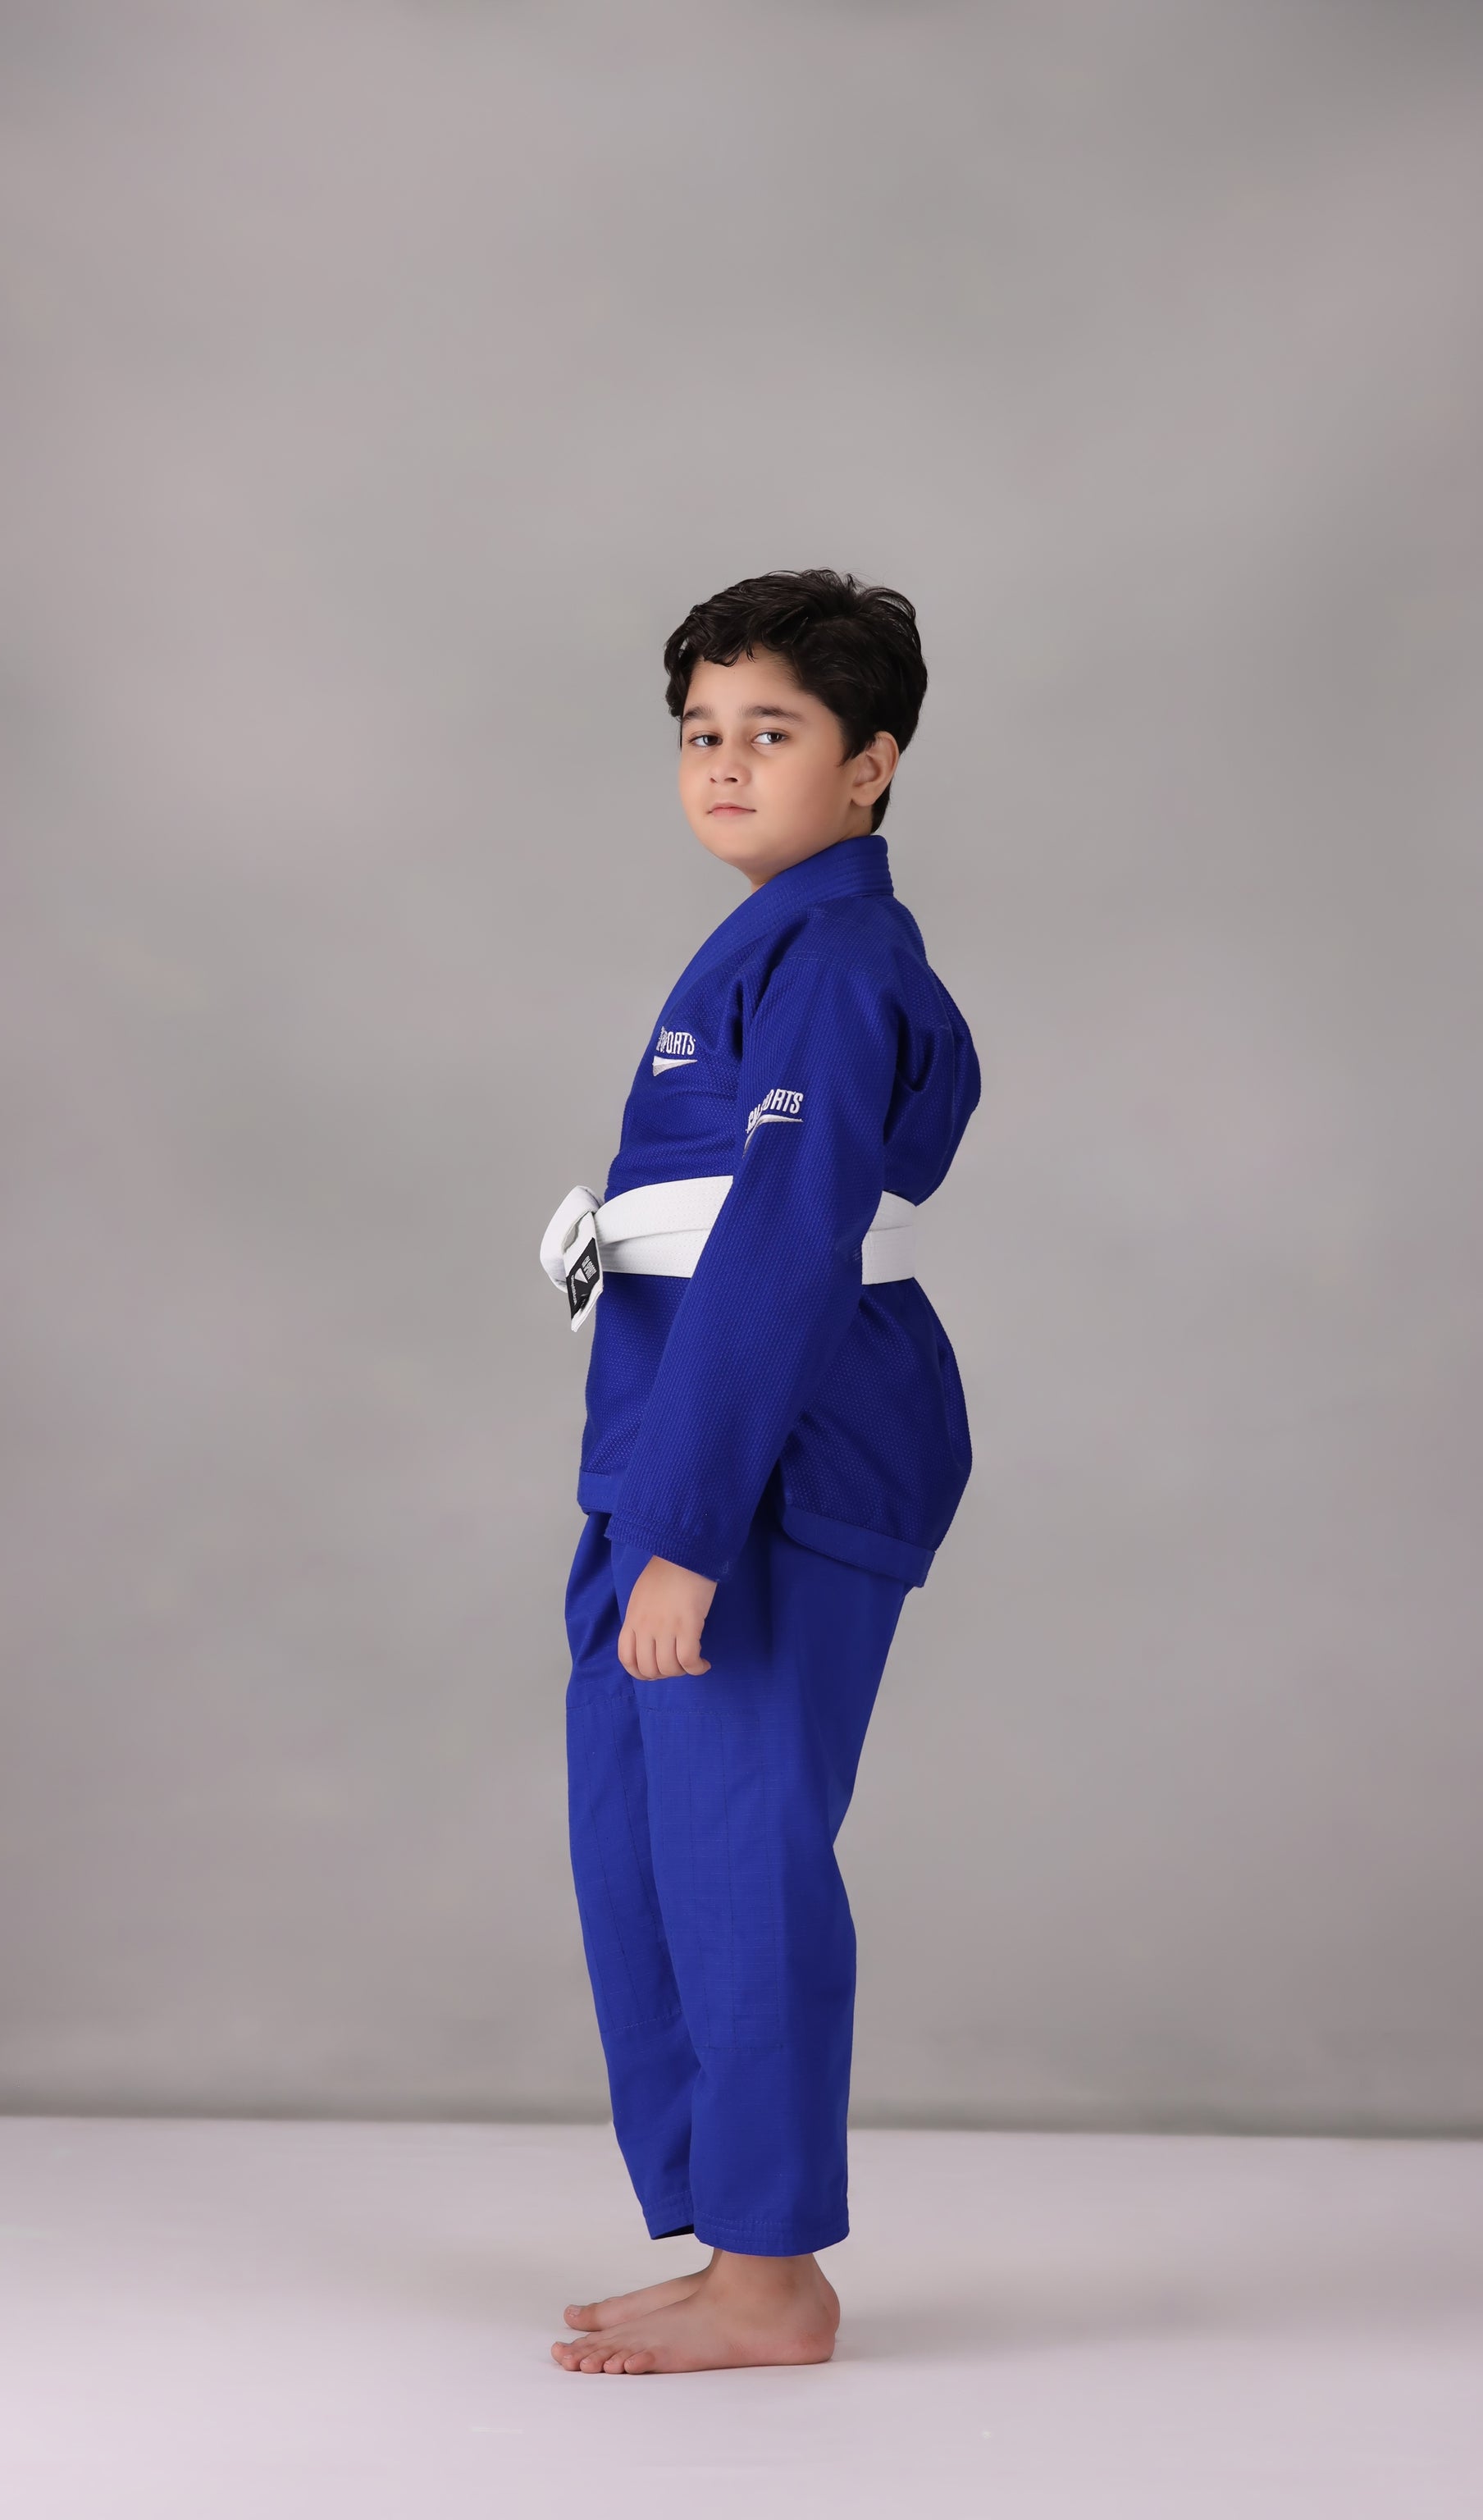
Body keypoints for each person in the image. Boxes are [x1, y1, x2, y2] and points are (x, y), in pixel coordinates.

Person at [541, 570, 979, 2374]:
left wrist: (688, 1537)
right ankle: (735, 2235)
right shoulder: (773, 946)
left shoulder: (844, 964)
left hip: (772, 1458)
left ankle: (775, 2272)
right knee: (642, 1848)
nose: (723, 766)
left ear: (868, 769)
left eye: (772, 734)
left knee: (739, 1860)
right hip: (672, 1429)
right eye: (700, 735)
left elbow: (791, 1247)